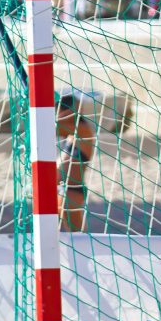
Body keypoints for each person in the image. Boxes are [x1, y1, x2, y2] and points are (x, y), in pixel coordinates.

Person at [56, 94, 97, 232]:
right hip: (62, 190)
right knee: (60, 236)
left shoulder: (83, 130)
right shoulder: (70, 137)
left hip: (73, 190)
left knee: (78, 237)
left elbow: (52, 127)